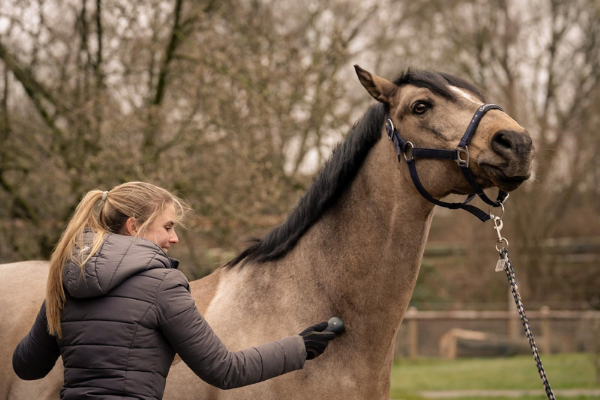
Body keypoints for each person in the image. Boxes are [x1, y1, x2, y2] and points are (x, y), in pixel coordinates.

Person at [12, 182, 337, 399]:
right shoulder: (161, 284)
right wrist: (300, 346)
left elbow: (28, 366)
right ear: (134, 227)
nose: (175, 238)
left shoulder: (66, 280)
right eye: (167, 227)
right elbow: (225, 370)